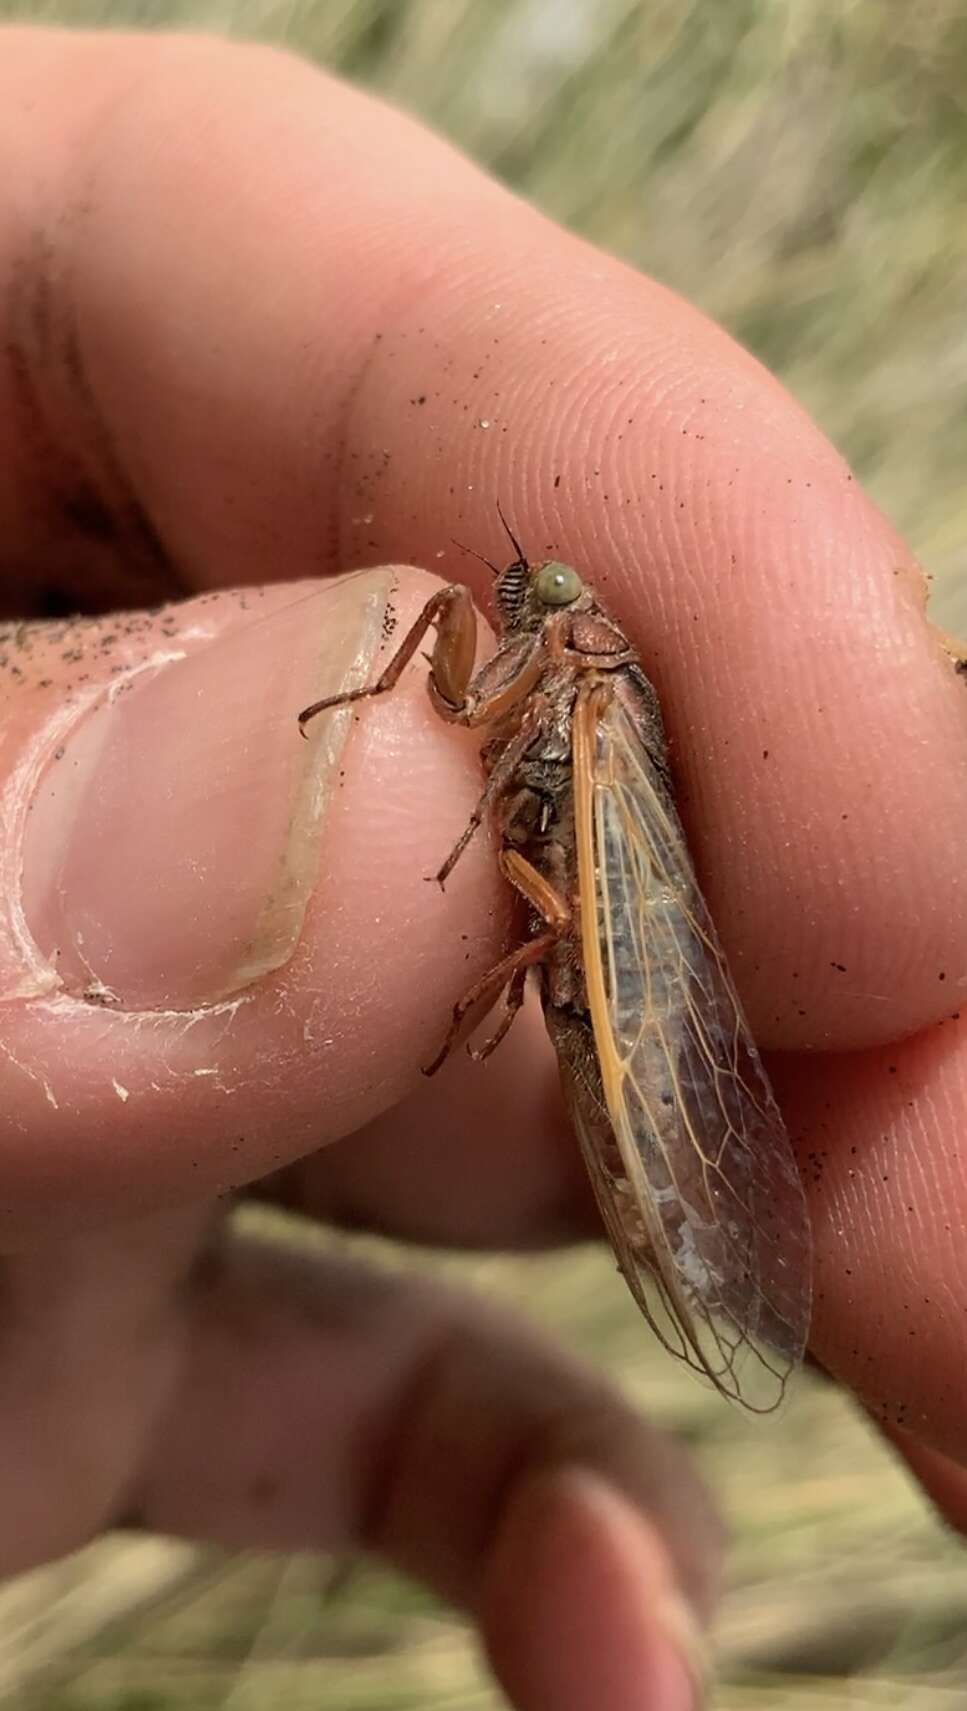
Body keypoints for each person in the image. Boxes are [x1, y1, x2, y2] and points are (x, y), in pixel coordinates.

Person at [2, 26, 965, 1711]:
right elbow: (451, 729)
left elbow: (560, 879)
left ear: (565, 642)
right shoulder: (512, 659)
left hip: (607, 933)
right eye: (520, 612)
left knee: (585, 966)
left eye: (537, 614)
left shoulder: (580, 698)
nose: (513, 615)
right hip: (566, 920)